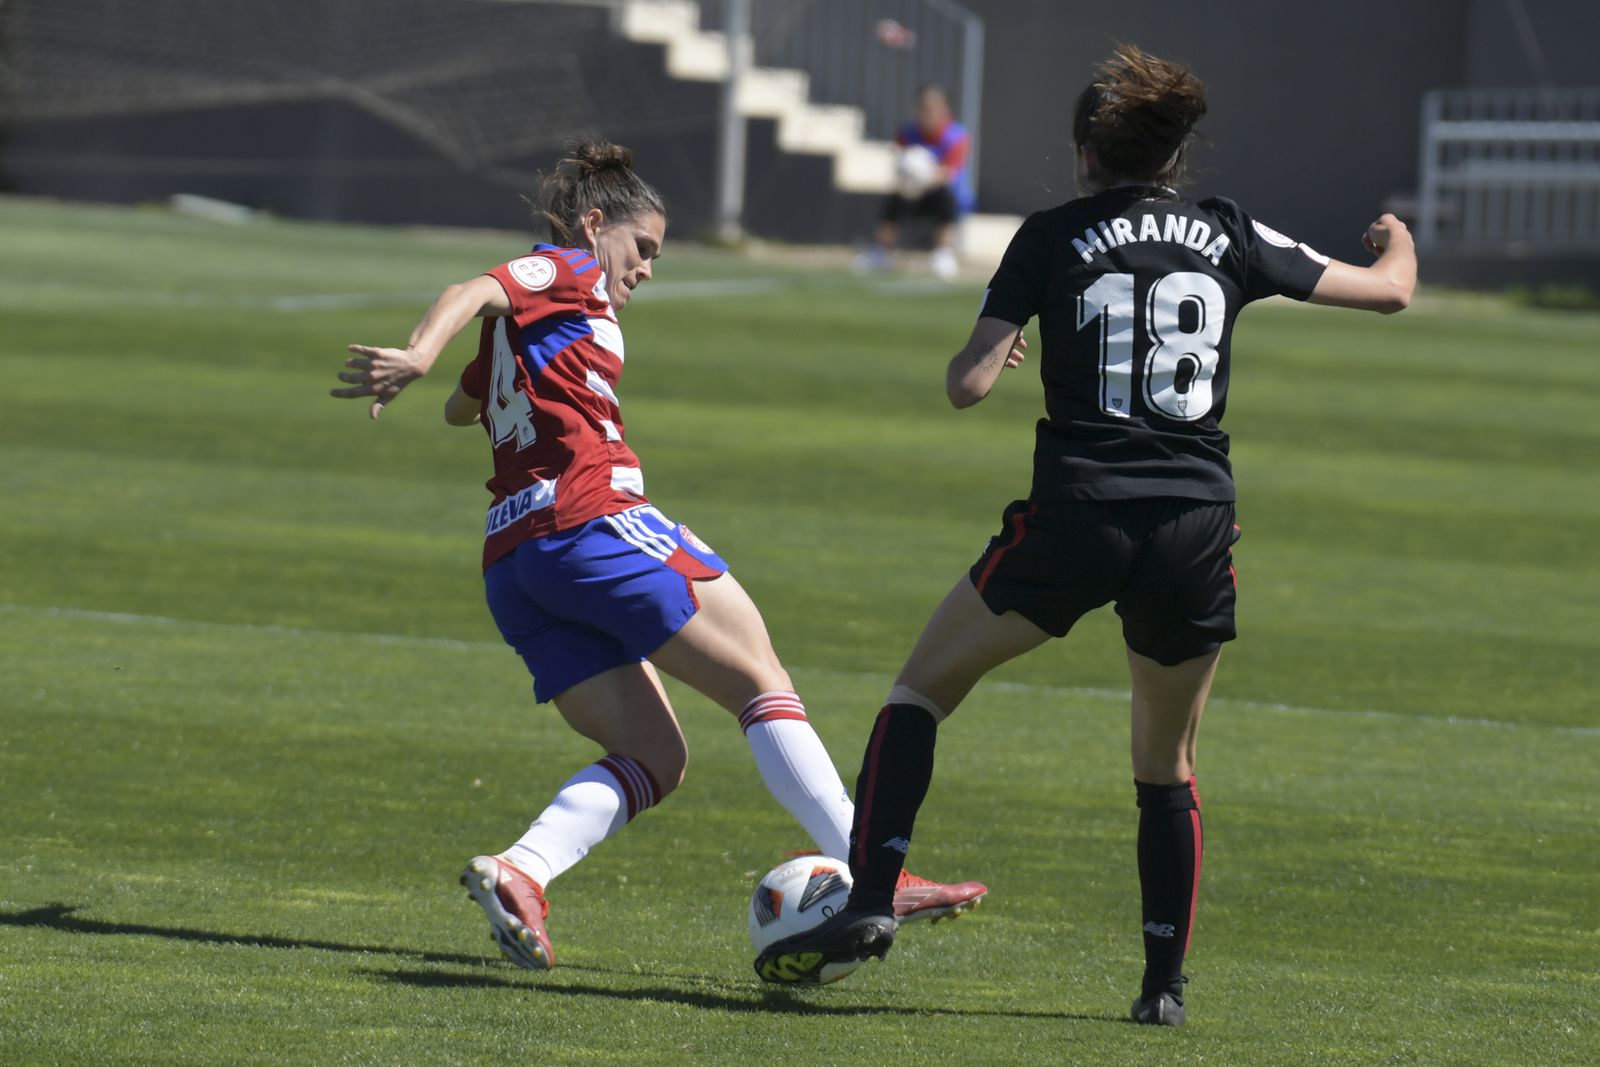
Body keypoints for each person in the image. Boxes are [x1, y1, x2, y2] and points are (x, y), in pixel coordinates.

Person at [755, 45, 1416, 1025]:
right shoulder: (1223, 228)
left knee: (919, 691)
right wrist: (1397, 236)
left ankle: (868, 898)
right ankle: (1161, 989)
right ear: (1176, 151)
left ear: (1082, 150)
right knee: (1165, 764)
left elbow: (966, 384)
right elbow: (1388, 289)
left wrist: (1003, 344)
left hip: (1075, 515)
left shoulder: (1048, 235)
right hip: (1191, 523)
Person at [330, 138, 986, 971]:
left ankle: (522, 871)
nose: (645, 269)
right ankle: (873, 873)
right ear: (596, 224)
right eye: (642, 249)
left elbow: (469, 410)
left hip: (515, 561)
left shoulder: (536, 327)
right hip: (591, 520)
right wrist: (420, 354)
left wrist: (490, 377)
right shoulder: (565, 270)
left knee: (655, 755)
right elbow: (477, 286)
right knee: (760, 676)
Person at [856, 83, 974, 280]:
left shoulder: (956, 136)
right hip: (912, 192)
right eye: (923, 107)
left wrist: (924, 175)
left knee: (946, 199)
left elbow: (949, 173)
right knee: (895, 199)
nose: (927, 113)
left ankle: (943, 254)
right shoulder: (908, 133)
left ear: (945, 109)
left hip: (941, 193)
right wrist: (908, 180)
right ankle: (880, 252)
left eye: (933, 107)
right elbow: (897, 161)